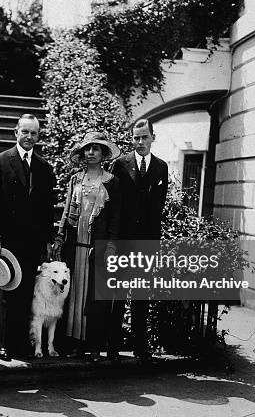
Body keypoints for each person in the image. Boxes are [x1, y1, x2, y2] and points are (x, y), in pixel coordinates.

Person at [0, 114, 56, 361]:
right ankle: (4, 344)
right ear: (16, 132)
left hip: (32, 242)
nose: (29, 137)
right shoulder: (1, 161)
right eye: (24, 132)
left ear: (38, 136)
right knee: (7, 294)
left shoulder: (44, 167)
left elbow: (48, 208)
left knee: (26, 293)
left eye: (33, 133)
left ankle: (21, 343)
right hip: (7, 241)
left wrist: (48, 240)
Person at [52, 131, 121, 362]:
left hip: (96, 247)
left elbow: (114, 218)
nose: (91, 152)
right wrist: (60, 237)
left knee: (94, 298)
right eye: (87, 149)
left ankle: (93, 346)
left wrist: (110, 244)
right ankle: (72, 344)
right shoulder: (75, 179)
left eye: (96, 148)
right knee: (73, 295)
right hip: (75, 245)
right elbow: (65, 212)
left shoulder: (112, 181)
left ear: (103, 154)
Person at [110, 118, 168, 364]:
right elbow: (113, 205)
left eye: (145, 137)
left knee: (142, 296)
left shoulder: (161, 167)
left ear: (153, 137)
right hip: (124, 240)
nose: (140, 142)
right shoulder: (120, 165)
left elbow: (159, 207)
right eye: (136, 137)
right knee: (118, 296)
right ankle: (112, 346)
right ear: (131, 139)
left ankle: (140, 346)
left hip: (147, 242)